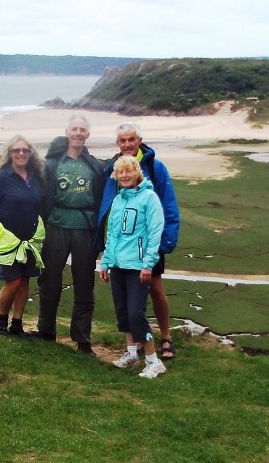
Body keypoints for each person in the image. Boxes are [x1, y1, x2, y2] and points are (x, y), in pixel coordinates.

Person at [96, 121, 180, 360]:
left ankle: (165, 337)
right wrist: (105, 252)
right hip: (123, 248)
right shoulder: (114, 169)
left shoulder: (155, 167)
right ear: (117, 143)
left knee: (155, 288)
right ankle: (135, 346)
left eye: (131, 139)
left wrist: (165, 243)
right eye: (122, 140)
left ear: (139, 140)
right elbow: (110, 207)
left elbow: (168, 205)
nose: (127, 144)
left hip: (150, 244)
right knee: (128, 302)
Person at [34, 114, 105, 356]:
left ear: (87, 135)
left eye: (82, 130)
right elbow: (40, 195)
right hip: (56, 225)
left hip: (85, 227)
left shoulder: (96, 165)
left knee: (85, 284)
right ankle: (46, 330)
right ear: (67, 133)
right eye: (74, 129)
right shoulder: (52, 163)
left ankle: (83, 339)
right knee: (49, 280)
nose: (77, 133)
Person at [98, 155, 166, 378]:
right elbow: (112, 235)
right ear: (116, 176)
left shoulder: (149, 198)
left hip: (138, 267)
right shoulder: (118, 200)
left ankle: (153, 361)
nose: (125, 176)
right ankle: (130, 354)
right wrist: (105, 262)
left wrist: (148, 264)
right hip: (118, 265)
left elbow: (155, 233)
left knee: (137, 314)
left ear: (137, 172)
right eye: (120, 173)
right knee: (123, 313)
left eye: (128, 171)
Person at [0, 135, 45, 338]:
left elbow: (40, 206)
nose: (21, 154)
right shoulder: (1, 178)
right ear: (10, 154)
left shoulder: (35, 177)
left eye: (25, 150)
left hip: (29, 241)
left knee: (25, 281)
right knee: (13, 282)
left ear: (30, 154)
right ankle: (0, 322)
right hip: (8, 240)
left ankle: (17, 325)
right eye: (16, 150)